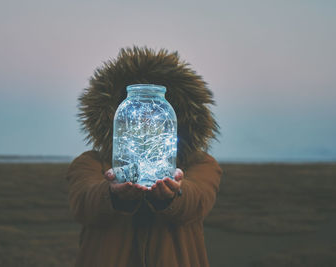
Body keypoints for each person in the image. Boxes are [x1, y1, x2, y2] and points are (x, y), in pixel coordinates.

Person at [66, 46, 223, 267]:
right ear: (116, 115)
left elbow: (197, 201)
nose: (146, 121)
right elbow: (83, 204)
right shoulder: (91, 163)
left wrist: (173, 195)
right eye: (138, 115)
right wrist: (111, 195)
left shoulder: (202, 164)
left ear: (177, 117)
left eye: (155, 115)